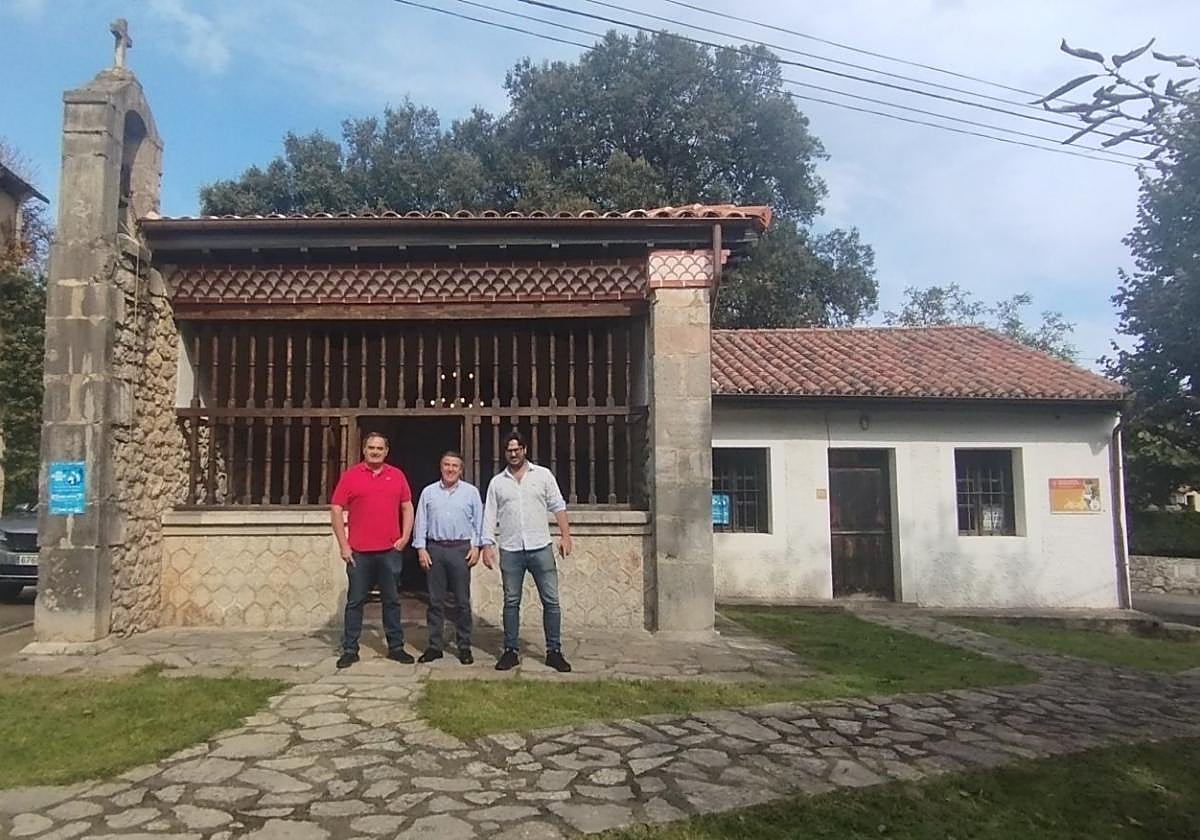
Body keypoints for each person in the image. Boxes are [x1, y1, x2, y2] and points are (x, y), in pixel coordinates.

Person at [482, 430, 573, 672]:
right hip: (511, 549)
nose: (513, 454)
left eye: (517, 449)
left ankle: (554, 651)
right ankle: (510, 651)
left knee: (551, 601)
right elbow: (489, 515)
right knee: (511, 602)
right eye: (509, 450)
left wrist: (565, 536)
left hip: (540, 547)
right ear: (505, 453)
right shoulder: (497, 483)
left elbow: (558, 505)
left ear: (524, 450)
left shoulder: (543, 475)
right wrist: (487, 545)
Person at [329, 432, 415, 668]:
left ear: (386, 451)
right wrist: (344, 545)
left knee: (392, 601)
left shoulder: (396, 475)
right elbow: (336, 508)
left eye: (379, 448)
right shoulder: (351, 476)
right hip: (359, 552)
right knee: (355, 602)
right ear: (364, 450)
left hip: (389, 551)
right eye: (371, 447)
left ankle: (396, 647)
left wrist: (405, 537)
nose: (375, 451)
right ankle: (350, 649)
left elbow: (407, 506)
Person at [412, 451, 483, 665]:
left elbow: (478, 522)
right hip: (436, 549)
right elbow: (421, 521)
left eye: (455, 466)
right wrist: (421, 548)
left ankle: (464, 646)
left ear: (461, 470)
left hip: (461, 549)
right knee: (435, 601)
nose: (450, 469)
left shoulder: (471, 492)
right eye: (447, 465)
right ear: (441, 467)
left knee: (462, 601)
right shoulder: (429, 492)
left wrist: (476, 546)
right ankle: (434, 646)